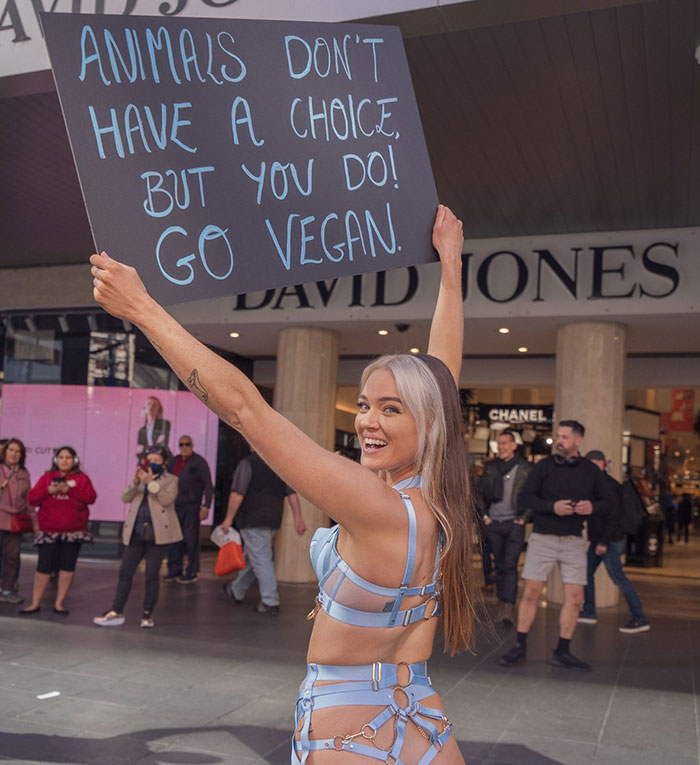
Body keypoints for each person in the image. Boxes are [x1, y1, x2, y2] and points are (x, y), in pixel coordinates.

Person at [90, 204, 472, 763]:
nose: (367, 421)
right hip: (422, 723)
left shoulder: (376, 504)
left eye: (392, 410)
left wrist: (144, 310)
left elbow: (245, 408)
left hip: (351, 736)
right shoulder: (434, 498)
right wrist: (452, 268)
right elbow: (444, 373)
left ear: (428, 422)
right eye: (366, 405)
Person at [499, 420, 611, 671]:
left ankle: (562, 650)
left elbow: (609, 502)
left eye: (565, 437)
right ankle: (519, 644)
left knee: (575, 597)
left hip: (573, 541)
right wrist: (552, 507)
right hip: (542, 538)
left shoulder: (590, 471)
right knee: (531, 592)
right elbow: (525, 497)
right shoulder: (545, 466)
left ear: (579, 440)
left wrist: (592, 507)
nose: (559, 441)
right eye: (558, 436)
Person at [94, 446, 181, 628]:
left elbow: (167, 500)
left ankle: (147, 614)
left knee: (151, 575)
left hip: (158, 534)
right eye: (149, 461)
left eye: (156, 461)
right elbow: (125, 498)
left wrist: (151, 483)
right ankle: (117, 611)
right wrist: (135, 482)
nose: (152, 464)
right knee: (125, 572)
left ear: (165, 463)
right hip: (136, 532)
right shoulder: (140, 477)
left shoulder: (171, 480)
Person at [220, 451, 306, 614]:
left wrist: (228, 519)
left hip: (253, 519)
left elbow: (238, 493)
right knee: (256, 556)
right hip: (273, 519)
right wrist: (298, 518)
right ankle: (236, 589)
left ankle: (270, 601)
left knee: (261, 558)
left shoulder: (248, 463)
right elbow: (292, 493)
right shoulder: (279, 465)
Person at [578, 450, 650, 634]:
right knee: (586, 573)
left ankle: (639, 618)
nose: (592, 467)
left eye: (596, 463)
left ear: (603, 464)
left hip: (608, 540)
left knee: (618, 577)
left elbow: (614, 516)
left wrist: (603, 542)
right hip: (600, 539)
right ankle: (588, 611)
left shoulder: (607, 485)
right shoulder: (594, 484)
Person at [21, 446, 97, 615]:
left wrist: (71, 490)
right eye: (61, 457)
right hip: (49, 531)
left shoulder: (82, 479)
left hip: (73, 531)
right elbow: (32, 499)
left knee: (67, 567)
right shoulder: (47, 478)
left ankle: (59, 603)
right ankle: (35, 602)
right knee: (43, 567)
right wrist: (48, 491)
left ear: (74, 461)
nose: (64, 460)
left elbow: (91, 498)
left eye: (68, 457)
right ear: (56, 460)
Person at [477, 430, 532, 627]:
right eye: (499, 443)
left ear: (514, 446)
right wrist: (485, 516)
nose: (501, 446)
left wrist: (524, 518)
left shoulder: (525, 468)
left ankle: (508, 606)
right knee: (499, 566)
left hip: (514, 524)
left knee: (510, 565)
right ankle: (502, 602)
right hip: (494, 523)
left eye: (505, 443)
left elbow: (532, 495)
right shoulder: (491, 467)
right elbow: (479, 493)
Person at [163, 435, 213, 584]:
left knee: (191, 539)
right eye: (181, 444)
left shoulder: (199, 462)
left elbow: (208, 485)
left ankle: (192, 570)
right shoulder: (174, 461)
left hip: (192, 506)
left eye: (187, 444)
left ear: (192, 445)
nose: (184, 447)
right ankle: (174, 570)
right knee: (173, 539)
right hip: (174, 506)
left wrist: (206, 506)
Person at [0, 438, 31, 605]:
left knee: (12, 557)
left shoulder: (24, 473)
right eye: (11, 450)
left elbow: (28, 500)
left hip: (15, 522)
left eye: (18, 451)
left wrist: (36, 524)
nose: (14, 454)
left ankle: (6, 590)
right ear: (5, 452)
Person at [136, 395, 171, 460]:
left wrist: (145, 448)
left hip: (163, 459)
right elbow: (138, 451)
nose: (151, 407)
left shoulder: (164, 424)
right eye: (148, 404)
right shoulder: (142, 430)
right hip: (147, 460)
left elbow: (161, 446)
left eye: (154, 405)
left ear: (159, 409)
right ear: (145, 408)